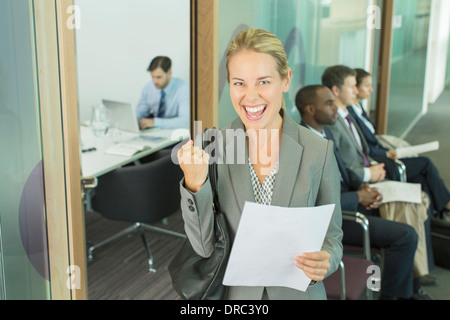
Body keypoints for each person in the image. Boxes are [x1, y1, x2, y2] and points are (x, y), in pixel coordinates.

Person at [177, 29, 343, 300]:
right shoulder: (213, 147)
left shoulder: (319, 151)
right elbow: (204, 247)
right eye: (239, 83)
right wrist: (195, 184)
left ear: (286, 80)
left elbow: (333, 236)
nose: (250, 96)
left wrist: (327, 258)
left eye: (263, 82)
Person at [296, 84, 434, 300]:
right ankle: (395, 296)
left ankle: (413, 288)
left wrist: (363, 188)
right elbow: (314, 203)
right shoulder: (303, 145)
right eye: (329, 103)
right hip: (337, 221)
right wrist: (358, 197)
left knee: (411, 209)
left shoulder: (327, 133)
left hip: (353, 202)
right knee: (406, 236)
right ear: (310, 110)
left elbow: (344, 174)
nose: (336, 108)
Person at [350, 68, 450, 217]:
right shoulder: (349, 113)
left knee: (420, 178)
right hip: (379, 160)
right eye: (366, 86)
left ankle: (432, 214)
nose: (371, 90)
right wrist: (386, 153)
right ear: (355, 88)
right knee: (426, 164)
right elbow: (365, 148)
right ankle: (444, 206)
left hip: (382, 152)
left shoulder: (359, 108)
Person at [135, 56, 189, 129]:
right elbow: (141, 112)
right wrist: (131, 119)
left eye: (158, 77)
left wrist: (155, 122)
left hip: (175, 133)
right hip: (154, 132)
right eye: (152, 77)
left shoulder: (183, 89)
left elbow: (185, 122)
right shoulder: (149, 87)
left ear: (169, 73)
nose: (154, 81)